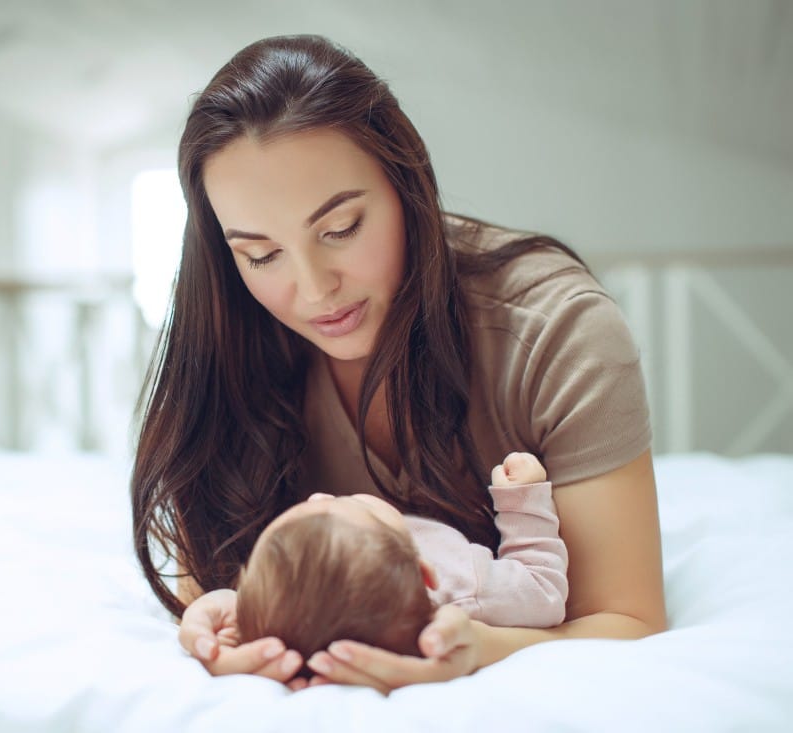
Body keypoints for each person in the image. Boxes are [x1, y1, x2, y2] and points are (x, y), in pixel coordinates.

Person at [130, 34, 666, 693]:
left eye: (342, 227)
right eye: (261, 255)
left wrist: (481, 649)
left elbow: (628, 618)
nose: (316, 287)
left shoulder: (556, 332)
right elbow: (206, 586)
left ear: (406, 181)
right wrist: (213, 622)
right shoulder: (231, 337)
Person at [234, 452, 568, 666]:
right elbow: (543, 586)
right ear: (425, 574)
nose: (320, 495)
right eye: (352, 505)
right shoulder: (464, 584)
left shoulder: (307, 606)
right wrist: (522, 500)